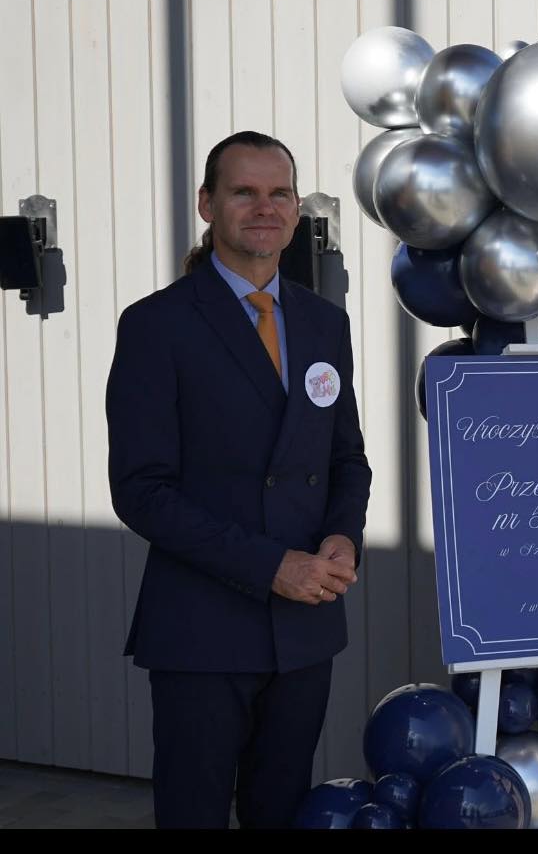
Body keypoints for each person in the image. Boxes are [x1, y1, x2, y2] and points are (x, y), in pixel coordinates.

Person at [106, 131, 372, 828]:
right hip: (203, 629)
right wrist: (270, 565)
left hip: (305, 626)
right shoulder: (157, 325)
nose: (264, 207)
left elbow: (348, 458)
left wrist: (343, 537)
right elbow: (141, 489)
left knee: (281, 812)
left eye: (278, 192)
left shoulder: (323, 324)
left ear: (295, 208)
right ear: (207, 204)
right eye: (243, 192)